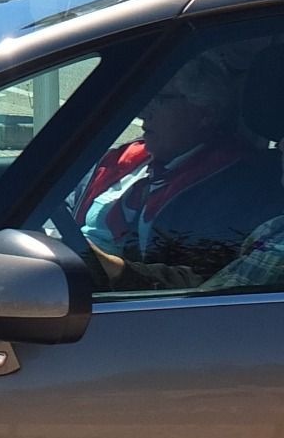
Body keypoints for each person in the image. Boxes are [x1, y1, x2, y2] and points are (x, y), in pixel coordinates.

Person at [77, 52, 283, 283]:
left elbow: (198, 287)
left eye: (161, 99)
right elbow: (59, 209)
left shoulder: (236, 185)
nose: (143, 111)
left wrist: (109, 267)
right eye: (146, 97)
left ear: (205, 113)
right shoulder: (123, 158)